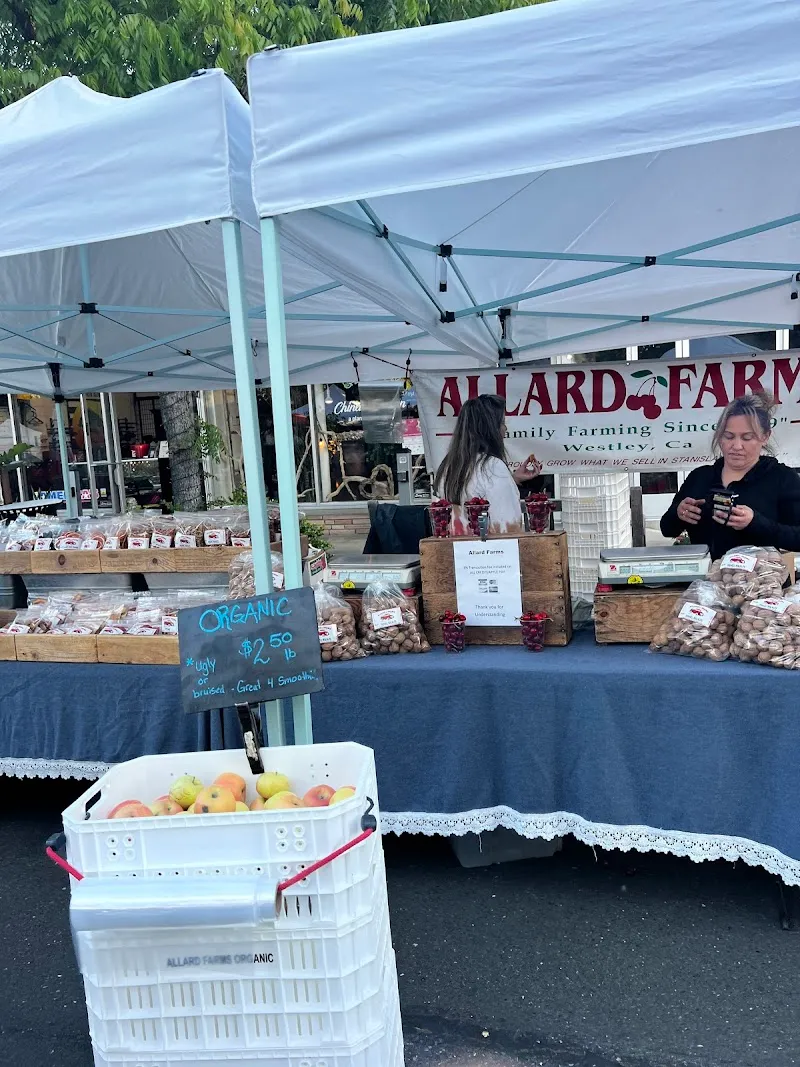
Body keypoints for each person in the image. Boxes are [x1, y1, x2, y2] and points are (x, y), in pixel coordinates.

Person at [660, 391, 800, 558]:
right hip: (707, 581)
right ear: (720, 437)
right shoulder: (700, 477)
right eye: (729, 436)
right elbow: (666, 528)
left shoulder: (782, 478)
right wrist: (678, 513)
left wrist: (756, 523)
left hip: (761, 581)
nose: (737, 446)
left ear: (765, 437)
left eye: (747, 438)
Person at [435, 394, 541, 534]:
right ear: (490, 429)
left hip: (459, 550)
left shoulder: (448, 466)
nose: (505, 429)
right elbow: (506, 526)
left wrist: (512, 479)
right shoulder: (493, 466)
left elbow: (471, 492)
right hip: (491, 551)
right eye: (502, 423)